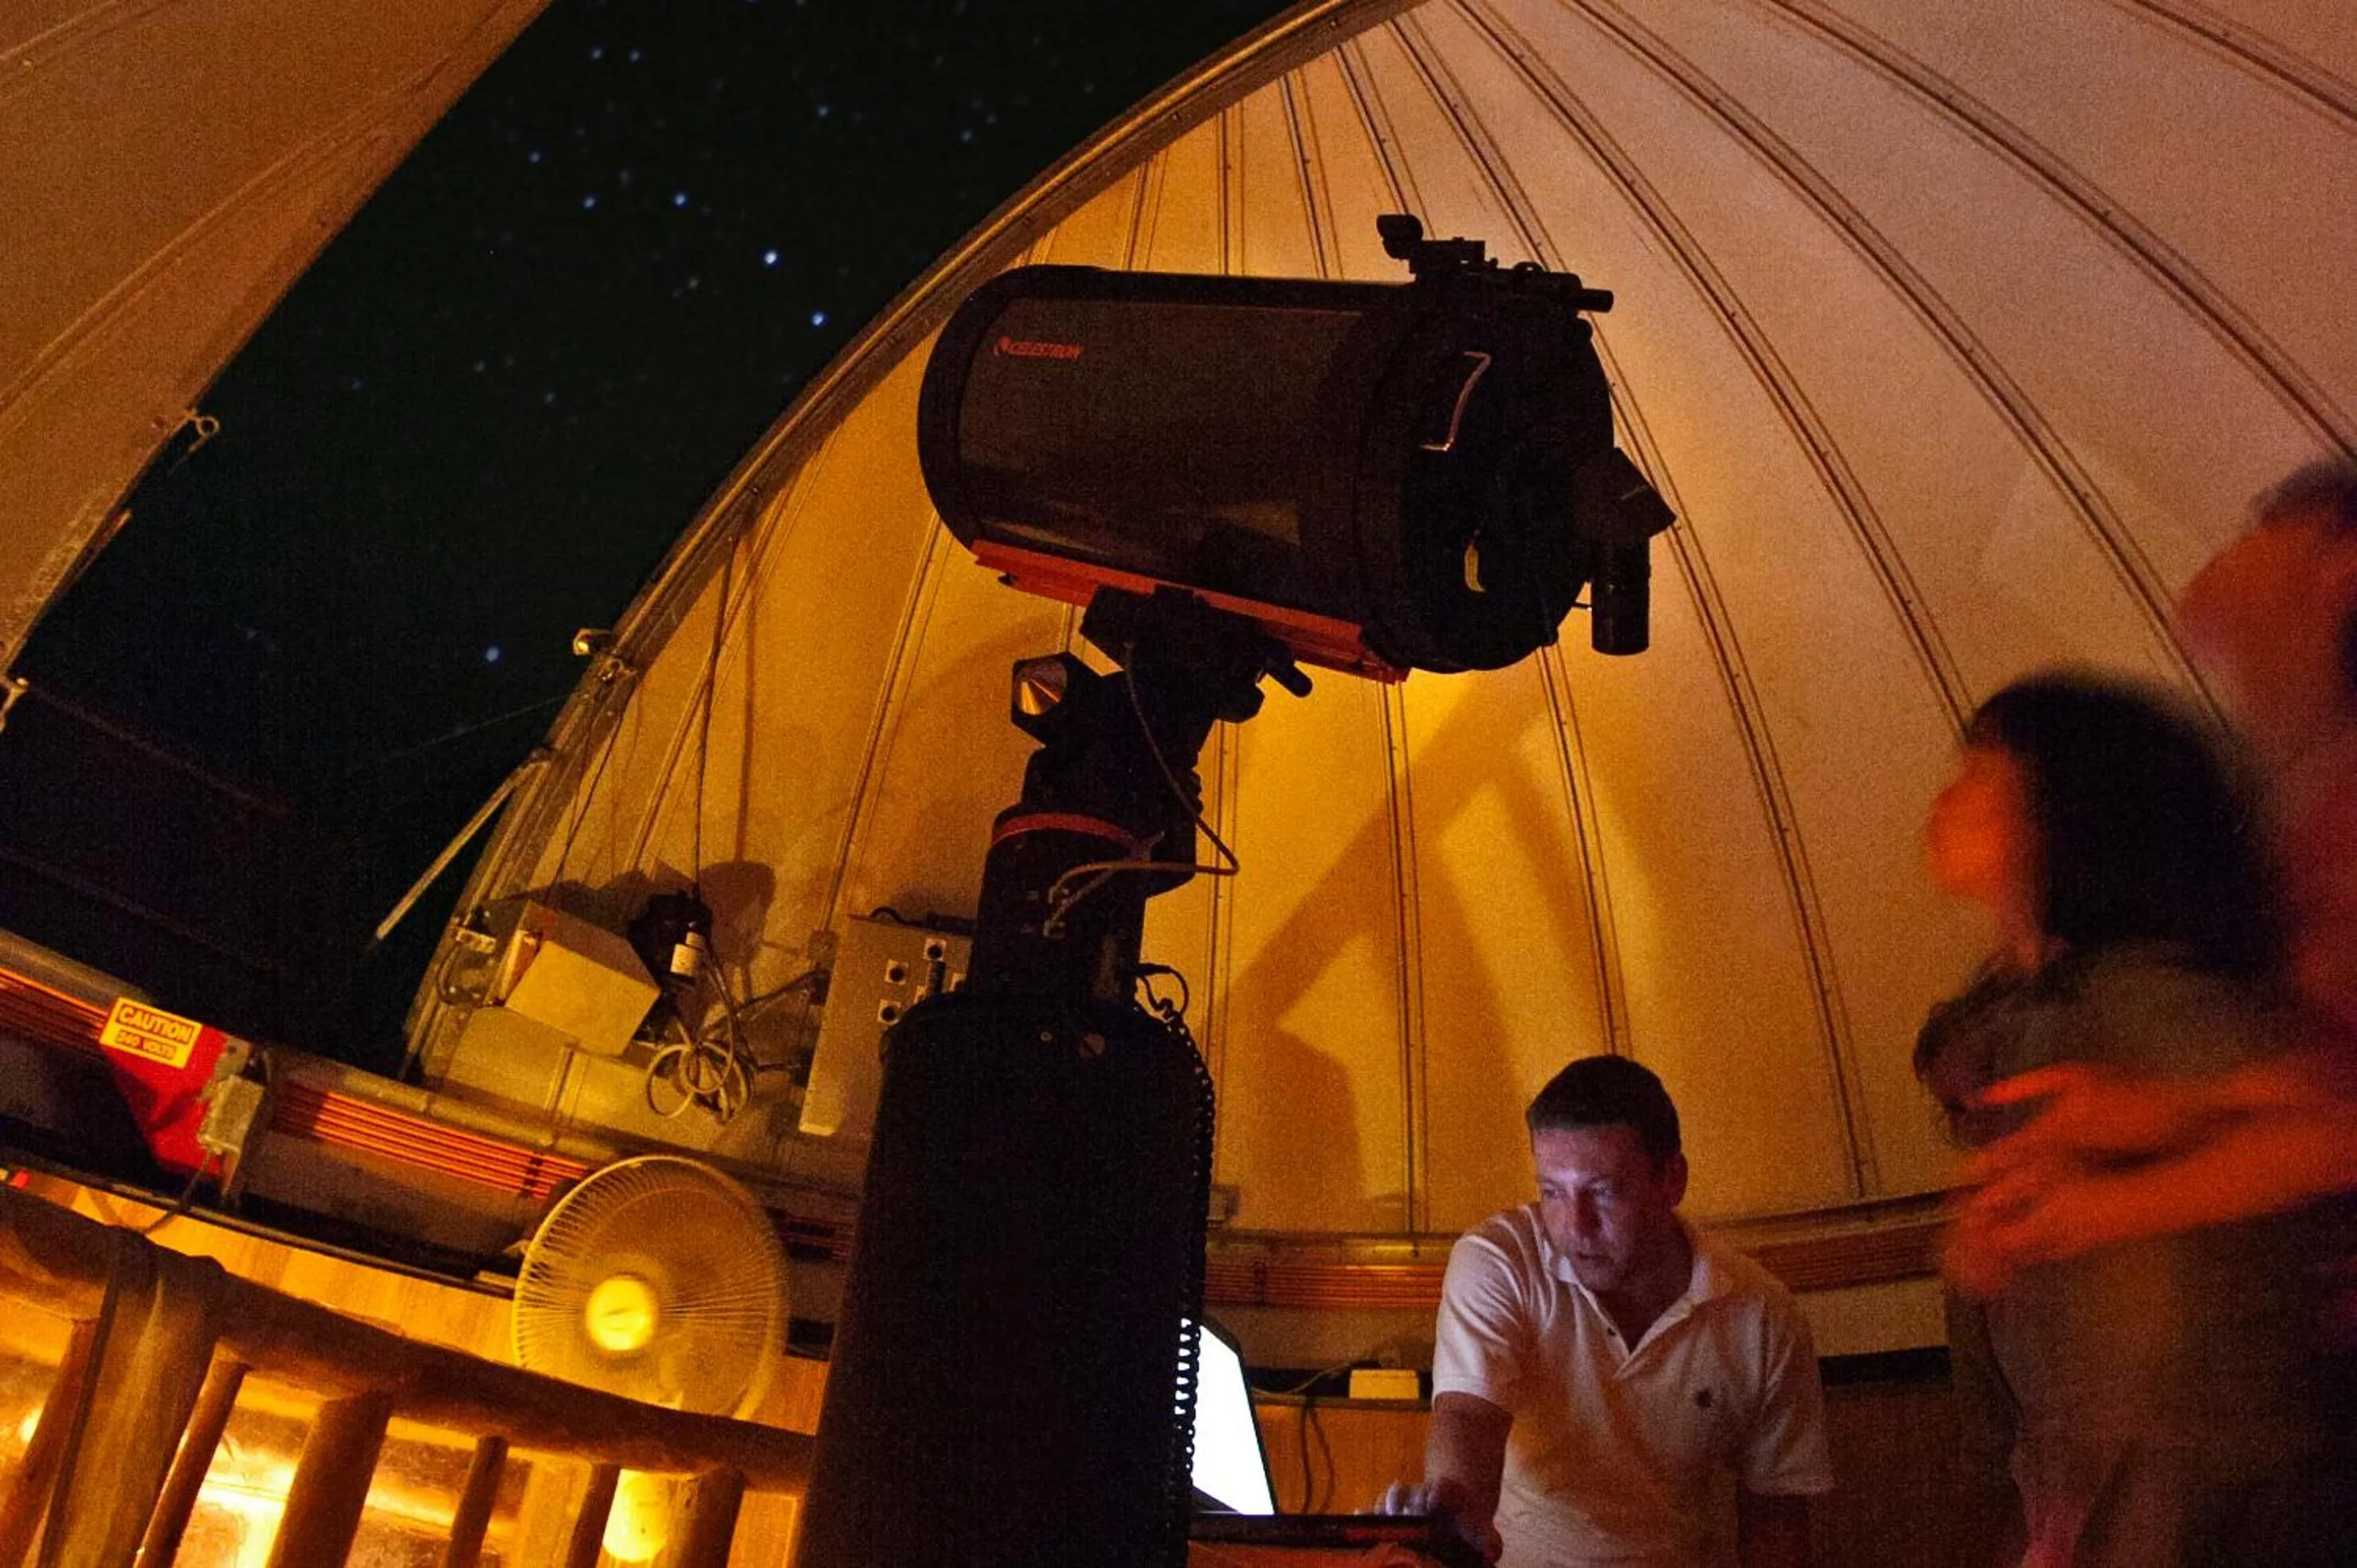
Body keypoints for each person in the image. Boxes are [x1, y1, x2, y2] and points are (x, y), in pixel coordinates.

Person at [1912, 672, 2320, 1566]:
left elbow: (2322, 1120)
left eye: (1981, 771)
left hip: (2219, 1507)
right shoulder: (2036, 1012)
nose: (1946, 797)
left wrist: (2143, 1150)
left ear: (2069, 811)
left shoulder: (2135, 994)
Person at [1950, 460, 2357, 1289]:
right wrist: (2186, 1112)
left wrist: (2102, 1208)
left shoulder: (2149, 993)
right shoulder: (2310, 820)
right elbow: (2325, 1094)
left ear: (2341, 570)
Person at [1377, 1055, 1832, 1567]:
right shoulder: (1499, 1258)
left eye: (1602, 1191)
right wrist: (1457, 1509)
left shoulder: (1762, 1315)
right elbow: (1467, 1415)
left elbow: (1776, 1523)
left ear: (1672, 1180)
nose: (1574, 1225)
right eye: (1552, 1191)